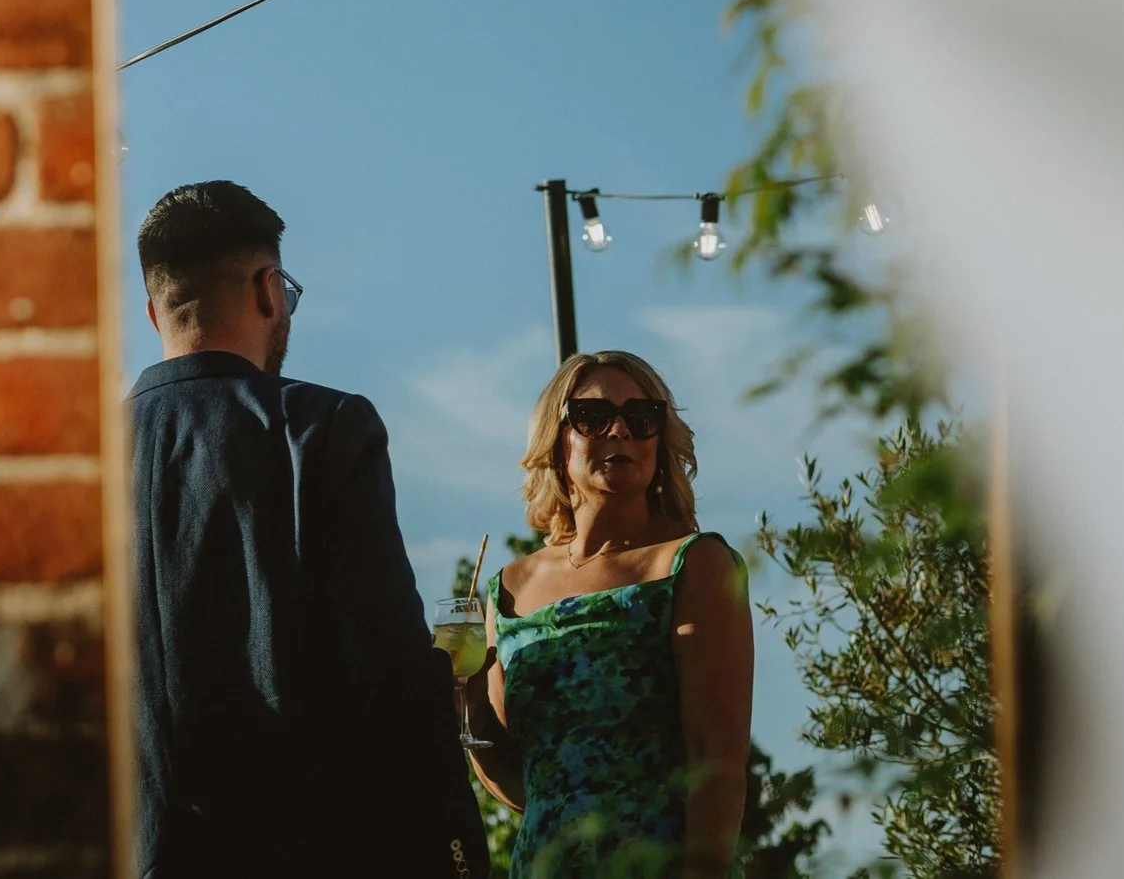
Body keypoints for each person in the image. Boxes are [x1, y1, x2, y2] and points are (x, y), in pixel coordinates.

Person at [128, 180, 489, 879]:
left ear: (154, 312)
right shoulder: (319, 431)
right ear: (268, 288)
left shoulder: (81, 461)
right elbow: (387, 677)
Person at [461, 351, 753, 878]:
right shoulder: (509, 587)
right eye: (594, 417)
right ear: (557, 440)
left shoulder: (695, 564)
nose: (620, 430)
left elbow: (718, 762)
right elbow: (527, 780)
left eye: (640, 419)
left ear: (659, 443)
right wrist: (464, 706)